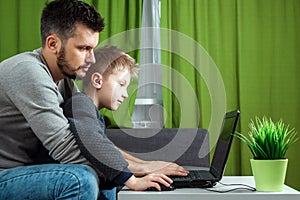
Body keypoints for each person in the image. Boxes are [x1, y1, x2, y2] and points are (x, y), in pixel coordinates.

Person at [0, 0, 187, 199]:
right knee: (81, 179)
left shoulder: (64, 83)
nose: (92, 59)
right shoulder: (29, 72)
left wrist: (144, 166)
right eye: (83, 49)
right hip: (4, 175)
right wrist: (130, 179)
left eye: (92, 49)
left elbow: (92, 143)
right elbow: (65, 147)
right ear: (53, 44)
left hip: (22, 173)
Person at [62, 45, 188, 191]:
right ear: (97, 80)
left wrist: (148, 164)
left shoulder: (91, 111)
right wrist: (134, 181)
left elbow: (108, 147)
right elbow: (95, 144)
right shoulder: (80, 103)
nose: (126, 94)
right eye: (121, 84)